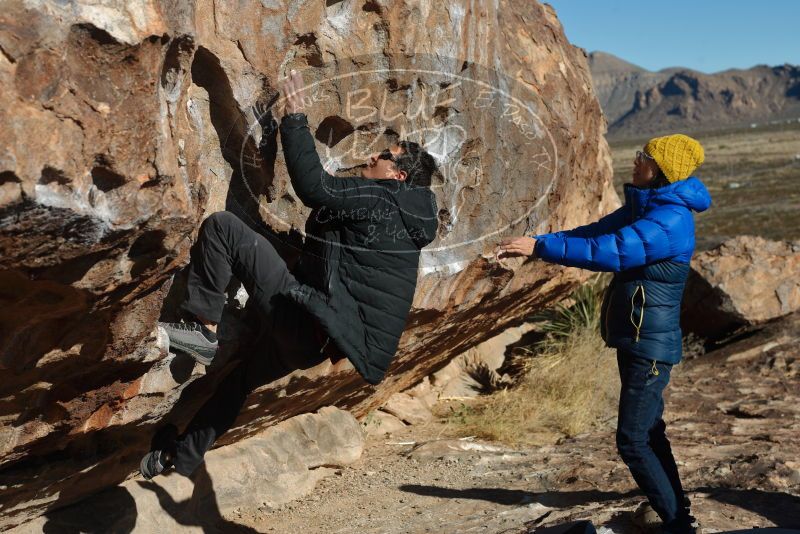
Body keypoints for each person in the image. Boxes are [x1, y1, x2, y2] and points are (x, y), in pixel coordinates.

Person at [140, 70, 439, 479]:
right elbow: (339, 259)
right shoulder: (408, 224)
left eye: (384, 155)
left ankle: (203, 330)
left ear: (398, 175)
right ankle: (181, 454)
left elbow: (315, 187)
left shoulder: (384, 199)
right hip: (312, 342)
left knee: (223, 227)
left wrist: (294, 118)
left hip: (301, 318)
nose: (373, 156)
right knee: (241, 380)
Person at [496, 134, 711, 534]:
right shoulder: (648, 206)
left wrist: (540, 250)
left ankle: (679, 524)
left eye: (643, 157)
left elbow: (610, 251)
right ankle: (677, 508)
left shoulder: (670, 219)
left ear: (661, 168)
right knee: (649, 431)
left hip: (650, 344)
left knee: (632, 439)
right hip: (636, 338)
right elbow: (592, 233)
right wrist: (539, 242)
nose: (636, 162)